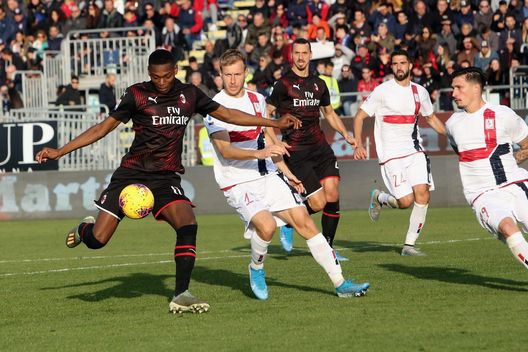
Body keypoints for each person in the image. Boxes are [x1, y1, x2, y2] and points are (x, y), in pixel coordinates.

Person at [35, 49, 300, 314]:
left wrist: (273, 121)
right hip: (131, 174)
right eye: (155, 77)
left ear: (175, 71)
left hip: (165, 177)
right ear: (149, 74)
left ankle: (181, 293)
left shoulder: (190, 95)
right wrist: (59, 151)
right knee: (98, 240)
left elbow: (229, 115)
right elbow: (101, 129)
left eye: (165, 76)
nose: (161, 82)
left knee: (188, 223)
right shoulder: (136, 94)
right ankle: (85, 229)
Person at [205, 49, 369, 300]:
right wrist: (261, 153)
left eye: (237, 74)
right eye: (227, 75)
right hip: (237, 182)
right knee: (267, 227)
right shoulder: (214, 107)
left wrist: (287, 172)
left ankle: (341, 283)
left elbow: (269, 138)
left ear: (245, 73)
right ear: (220, 75)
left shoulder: (257, 100)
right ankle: (256, 267)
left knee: (306, 223)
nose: (233, 80)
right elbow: (226, 151)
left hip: (268, 175)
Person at [266, 38, 356, 261]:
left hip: (320, 147)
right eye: (296, 53)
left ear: (310, 55)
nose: (300, 57)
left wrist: (346, 134)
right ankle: (288, 220)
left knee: (333, 192)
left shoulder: (319, 84)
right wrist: (274, 140)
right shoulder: (283, 84)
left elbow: (330, 114)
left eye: (304, 53)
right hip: (297, 151)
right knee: (318, 202)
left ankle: (329, 248)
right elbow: (265, 114)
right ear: (292, 55)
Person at [352, 49, 446, 257]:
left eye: (403, 63)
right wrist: (358, 144)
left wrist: (451, 135)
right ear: (392, 67)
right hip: (391, 155)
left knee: (423, 195)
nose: (399, 67)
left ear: (411, 65)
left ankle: (408, 246)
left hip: (414, 151)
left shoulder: (420, 92)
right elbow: (359, 117)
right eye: (395, 64)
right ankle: (379, 197)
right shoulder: (382, 91)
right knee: (405, 202)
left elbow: (430, 118)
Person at [446, 67, 528, 270]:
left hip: (514, 183)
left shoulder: (503, 114)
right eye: (453, 88)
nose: (454, 93)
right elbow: (462, 153)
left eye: (458, 87)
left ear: (476, 88)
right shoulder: (452, 124)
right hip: (482, 193)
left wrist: (513, 159)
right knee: (508, 227)